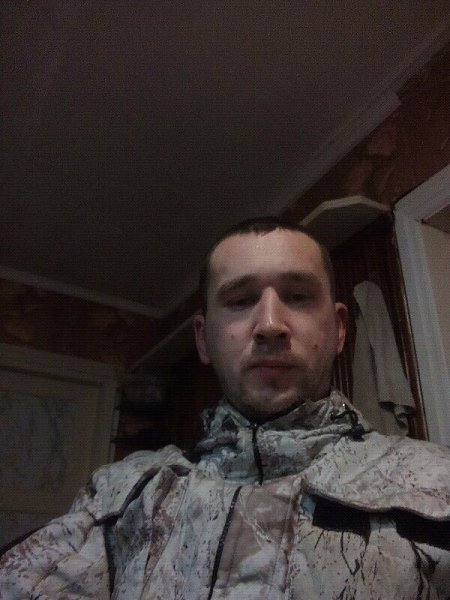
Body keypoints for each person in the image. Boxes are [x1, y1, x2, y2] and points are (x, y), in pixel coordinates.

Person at [1, 217, 449, 599]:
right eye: (239, 300)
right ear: (203, 338)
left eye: (297, 296)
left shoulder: (438, 483)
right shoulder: (118, 496)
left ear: (338, 329)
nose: (270, 325)